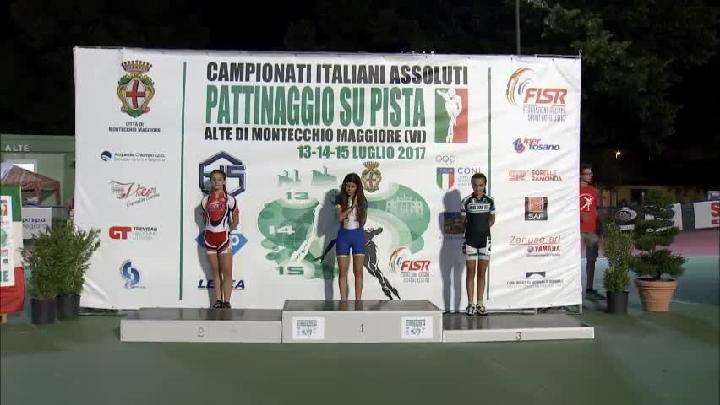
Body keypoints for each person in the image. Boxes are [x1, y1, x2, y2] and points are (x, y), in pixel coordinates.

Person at [201, 169, 239, 309]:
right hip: (209, 240)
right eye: (213, 180)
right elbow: (205, 219)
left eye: (219, 179)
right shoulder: (205, 200)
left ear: (223, 181)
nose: (216, 182)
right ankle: (218, 300)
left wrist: (231, 228)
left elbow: (236, 217)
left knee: (227, 272)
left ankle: (226, 302)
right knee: (215, 272)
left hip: (224, 239)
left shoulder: (230, 199)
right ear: (211, 182)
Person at [461, 173, 495, 316]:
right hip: (470, 240)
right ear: (472, 185)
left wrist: (482, 229)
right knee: (471, 272)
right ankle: (470, 305)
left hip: (485, 240)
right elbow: (464, 222)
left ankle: (480, 304)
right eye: (475, 185)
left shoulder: (490, 201)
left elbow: (492, 220)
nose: (478, 188)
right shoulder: (465, 201)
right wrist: (473, 231)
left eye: (481, 185)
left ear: (484, 185)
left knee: (481, 273)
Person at [335, 173, 368, 301]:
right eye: (347, 186)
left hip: (357, 236)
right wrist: (351, 207)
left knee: (358, 272)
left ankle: (358, 301)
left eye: (352, 186)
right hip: (343, 236)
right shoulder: (340, 198)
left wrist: (358, 208)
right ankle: (343, 302)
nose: (349, 189)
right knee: (342, 272)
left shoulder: (363, 200)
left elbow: (363, 220)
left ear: (357, 187)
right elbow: (340, 217)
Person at [580, 163, 603, 301]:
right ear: (580, 175)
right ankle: (570, 291)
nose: (590, 176)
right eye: (587, 173)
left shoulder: (593, 190)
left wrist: (599, 225)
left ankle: (589, 288)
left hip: (591, 229)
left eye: (591, 173)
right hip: (577, 229)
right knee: (573, 259)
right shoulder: (573, 189)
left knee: (591, 259)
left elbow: (595, 208)